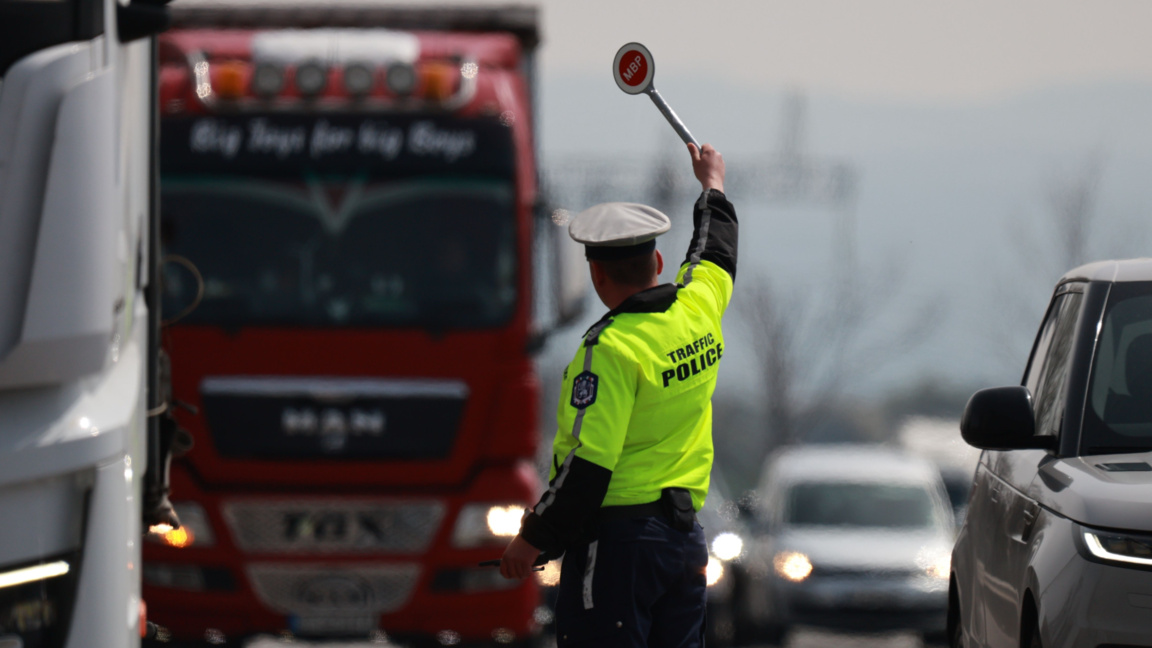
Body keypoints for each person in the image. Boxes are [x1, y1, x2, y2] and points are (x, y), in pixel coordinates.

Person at [500, 143, 736, 647]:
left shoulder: (607, 350)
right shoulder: (698, 309)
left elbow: (588, 466)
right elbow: (715, 249)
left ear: (596, 274)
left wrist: (533, 538)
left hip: (620, 546)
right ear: (657, 259)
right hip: (685, 540)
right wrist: (712, 184)